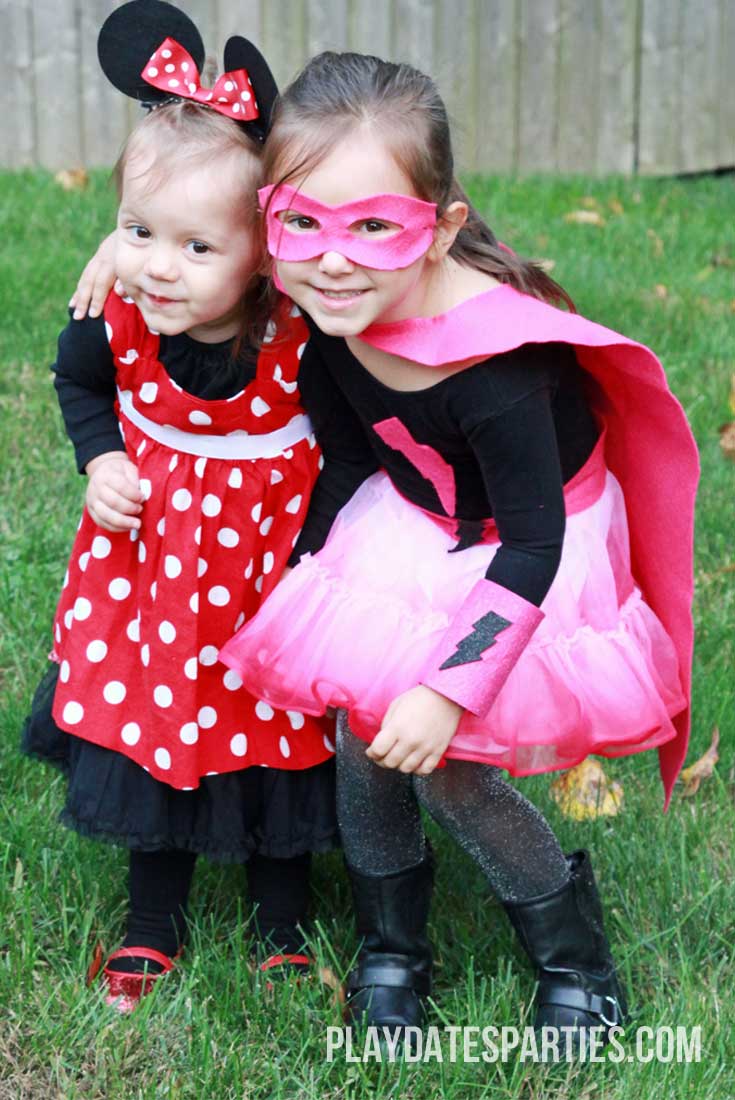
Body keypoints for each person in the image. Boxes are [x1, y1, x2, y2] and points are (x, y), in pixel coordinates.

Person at [219, 51, 699, 1043]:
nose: (333, 258)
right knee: (365, 732)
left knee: (446, 761)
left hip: (532, 551)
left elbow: (532, 542)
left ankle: (578, 960)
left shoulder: (497, 372)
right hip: (411, 526)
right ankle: (393, 948)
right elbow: (350, 468)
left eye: (374, 227)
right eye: (301, 223)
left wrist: (448, 684)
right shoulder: (328, 325)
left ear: (438, 229)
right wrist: (307, 581)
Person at [22, 1, 336, 1014]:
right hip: (152, 581)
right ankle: (152, 915)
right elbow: (80, 383)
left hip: (264, 579)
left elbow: (345, 433)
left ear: (265, 252)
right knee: (155, 730)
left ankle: (280, 916)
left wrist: (322, 548)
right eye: (138, 233)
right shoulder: (118, 314)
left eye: (197, 247)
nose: (159, 264)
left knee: (275, 732)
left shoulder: (301, 326)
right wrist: (99, 456)